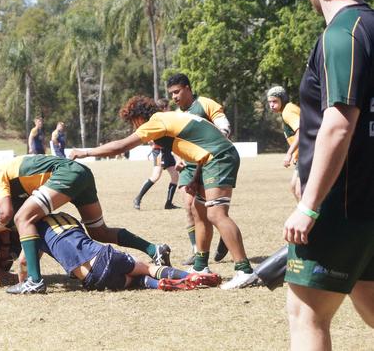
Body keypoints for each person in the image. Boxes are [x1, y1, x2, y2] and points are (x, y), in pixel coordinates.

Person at [70, 99, 257, 290]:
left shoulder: (155, 121)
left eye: (133, 122)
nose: (134, 127)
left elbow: (122, 146)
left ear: (139, 117)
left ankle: (245, 270)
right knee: (197, 210)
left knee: (216, 214)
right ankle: (201, 267)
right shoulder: (169, 117)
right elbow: (204, 142)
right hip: (210, 158)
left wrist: (85, 152)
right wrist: (195, 178)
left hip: (218, 158)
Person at [283, 0, 374, 349]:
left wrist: (309, 204)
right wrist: (304, 168)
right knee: (369, 302)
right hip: (365, 202)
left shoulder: (343, 33)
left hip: (343, 205)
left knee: (307, 314)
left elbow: (338, 122)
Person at [0, 155, 172, 294]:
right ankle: (154, 249)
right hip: (81, 173)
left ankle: (34, 281)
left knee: (22, 218)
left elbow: (6, 213)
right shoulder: (16, 183)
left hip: (65, 173)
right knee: (99, 231)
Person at [15, 211, 221, 292]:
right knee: (147, 267)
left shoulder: (33, 232)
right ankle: (191, 276)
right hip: (105, 257)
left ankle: (160, 285)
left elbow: (24, 262)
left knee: (137, 281)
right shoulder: (66, 217)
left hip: (92, 280)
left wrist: (21, 282)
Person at [166, 74, 230, 265]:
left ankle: (225, 234)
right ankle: (196, 251)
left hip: (209, 162)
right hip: (188, 166)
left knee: (211, 210)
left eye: (177, 92)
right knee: (188, 207)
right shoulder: (177, 114)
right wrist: (178, 159)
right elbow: (177, 141)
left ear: (188, 88)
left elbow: (224, 127)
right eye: (171, 94)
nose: (174, 97)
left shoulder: (205, 104)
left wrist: (214, 145)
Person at [132, 98, 180, 211]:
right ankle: (137, 198)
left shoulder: (165, 119)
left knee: (175, 176)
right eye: (168, 107)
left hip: (166, 151)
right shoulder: (156, 120)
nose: (169, 109)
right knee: (155, 176)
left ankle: (169, 203)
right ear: (163, 108)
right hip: (159, 152)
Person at [267, 86, 302, 201]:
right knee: (294, 188)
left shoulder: (288, 111)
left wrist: (289, 153)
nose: (271, 105)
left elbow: (300, 131)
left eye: (275, 101)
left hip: (308, 154)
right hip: (302, 156)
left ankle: (313, 218)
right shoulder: (287, 109)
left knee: (299, 191)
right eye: (270, 102)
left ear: (283, 99)